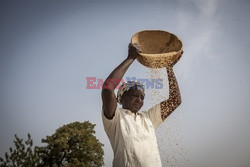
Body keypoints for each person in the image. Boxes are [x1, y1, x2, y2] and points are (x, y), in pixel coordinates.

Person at [101, 43, 183, 167]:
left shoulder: (147, 118)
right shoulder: (116, 117)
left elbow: (175, 100)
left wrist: (169, 67)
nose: (139, 100)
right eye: (134, 95)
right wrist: (131, 57)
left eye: (142, 97)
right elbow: (108, 88)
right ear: (121, 98)